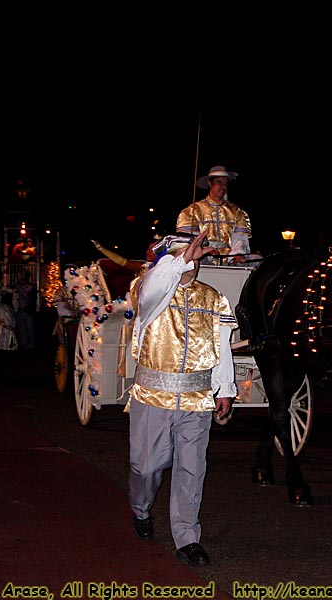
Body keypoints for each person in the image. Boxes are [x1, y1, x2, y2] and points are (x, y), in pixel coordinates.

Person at [126, 230, 237, 568]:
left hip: (196, 398)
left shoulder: (213, 298)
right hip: (152, 395)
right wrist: (176, 261)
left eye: (196, 254)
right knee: (146, 467)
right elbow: (153, 287)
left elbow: (222, 346)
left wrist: (226, 389)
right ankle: (141, 509)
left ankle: (187, 537)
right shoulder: (149, 290)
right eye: (184, 254)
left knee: (191, 468)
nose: (193, 260)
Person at [176, 165, 252, 265]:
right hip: (202, 258)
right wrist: (206, 249)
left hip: (229, 259)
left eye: (225, 183)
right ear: (209, 183)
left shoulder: (237, 212)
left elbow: (240, 239)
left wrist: (238, 254)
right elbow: (188, 240)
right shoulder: (192, 211)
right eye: (219, 182)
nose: (223, 187)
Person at [13, 269, 36, 351]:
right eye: (20, 274)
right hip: (20, 309)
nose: (21, 276)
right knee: (21, 328)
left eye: (23, 274)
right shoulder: (16, 286)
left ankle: (31, 345)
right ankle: (24, 345)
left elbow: (32, 297)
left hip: (28, 309)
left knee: (29, 327)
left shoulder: (31, 286)